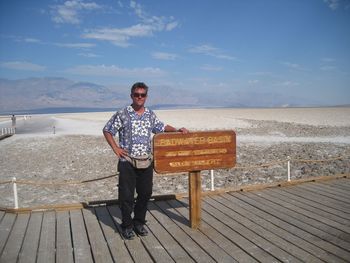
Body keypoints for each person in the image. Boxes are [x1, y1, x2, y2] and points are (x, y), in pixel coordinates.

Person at [103, 82, 188, 240]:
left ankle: (139, 223)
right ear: (131, 96)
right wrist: (115, 148)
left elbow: (161, 127)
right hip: (127, 161)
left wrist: (177, 130)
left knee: (145, 193)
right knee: (127, 196)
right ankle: (127, 226)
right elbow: (107, 130)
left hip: (146, 161)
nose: (139, 97)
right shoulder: (122, 113)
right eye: (136, 94)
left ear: (146, 97)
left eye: (142, 95)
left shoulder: (150, 114)